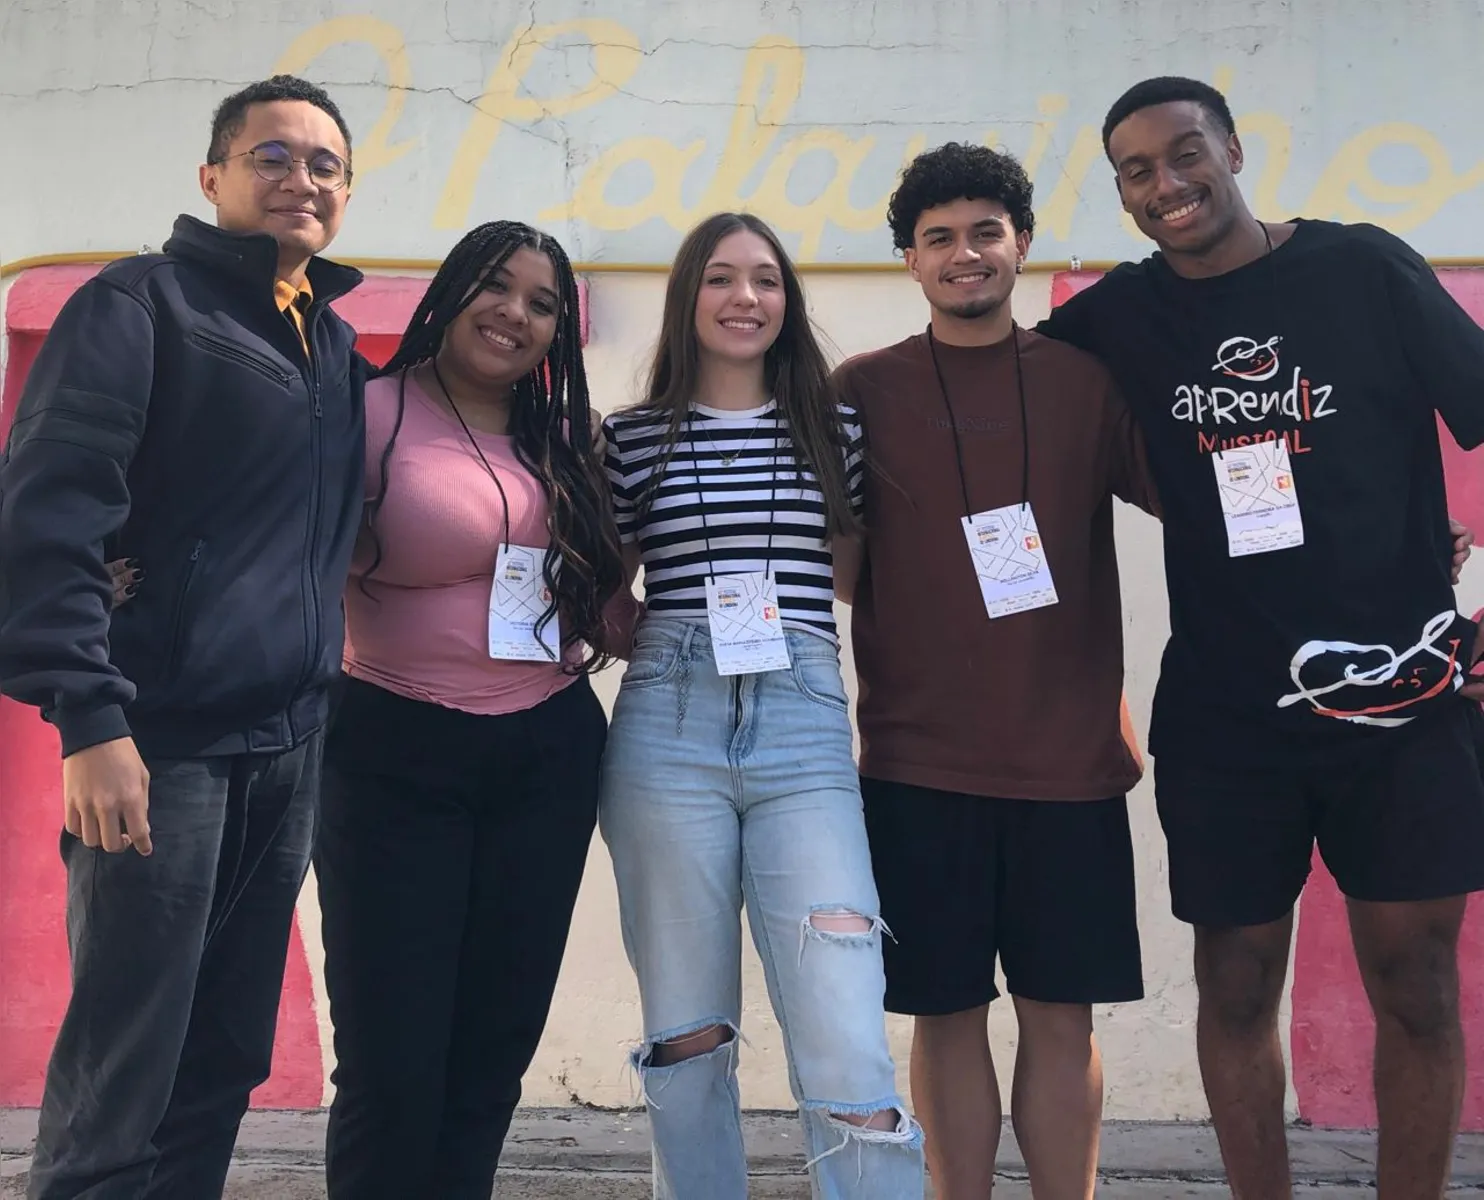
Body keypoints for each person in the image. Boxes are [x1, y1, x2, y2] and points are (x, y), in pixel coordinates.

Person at [1038, 75, 1484, 1199]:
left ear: (1231, 149)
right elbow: (996, 388)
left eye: (1183, 153)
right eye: (1134, 171)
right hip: (1226, 720)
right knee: (1233, 986)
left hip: (1406, 703)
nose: (1164, 184)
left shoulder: (1360, 267)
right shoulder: (1118, 317)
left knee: (1416, 982)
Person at [0, 75, 364, 1200]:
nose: (300, 179)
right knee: (129, 1059)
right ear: (213, 178)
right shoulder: (138, 304)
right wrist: (91, 719)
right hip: (159, 747)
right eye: (273, 156)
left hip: (289, 747)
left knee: (220, 1061)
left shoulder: (338, 348)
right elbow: (50, 511)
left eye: (325, 165)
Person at [831, 142, 1158, 1200]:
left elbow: (1202, 506)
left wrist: (1374, 530)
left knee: (1063, 1014)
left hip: (1068, 761)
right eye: (938, 239)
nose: (963, 254)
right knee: (944, 1010)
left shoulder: (1085, 382)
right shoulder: (858, 390)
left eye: (984, 232)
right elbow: (824, 563)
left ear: (1018, 244)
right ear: (908, 261)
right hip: (917, 761)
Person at [599, 211, 926, 1199]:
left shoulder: (838, 432)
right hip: (666, 719)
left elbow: (856, 576)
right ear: (686, 297)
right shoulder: (629, 439)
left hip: (802, 720)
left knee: (841, 1012)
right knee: (687, 1030)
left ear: (787, 301)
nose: (745, 298)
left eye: (766, 280)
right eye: (720, 278)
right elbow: (609, 598)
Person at [311, 220, 630, 1198]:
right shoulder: (361, 413)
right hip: (392, 750)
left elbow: (610, 605)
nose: (516, 314)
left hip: (548, 752)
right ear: (448, 293)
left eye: (541, 304)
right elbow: (263, 531)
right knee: (393, 1057)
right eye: (496, 287)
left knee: (491, 1051)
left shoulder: (569, 440)